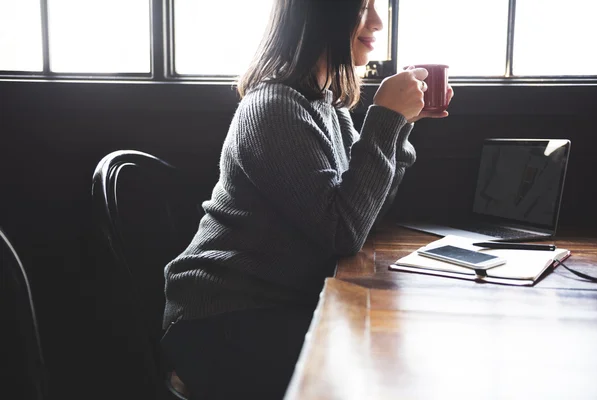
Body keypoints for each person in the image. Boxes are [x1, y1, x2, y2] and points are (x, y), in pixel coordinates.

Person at [161, 0, 453, 398]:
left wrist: (399, 127)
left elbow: (363, 214)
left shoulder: (327, 105)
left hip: (274, 302)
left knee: (393, 352)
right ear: (324, 12)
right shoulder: (274, 108)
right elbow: (342, 232)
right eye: (363, 6)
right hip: (221, 315)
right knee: (375, 368)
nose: (378, 22)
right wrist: (386, 120)